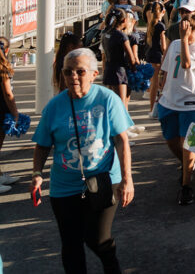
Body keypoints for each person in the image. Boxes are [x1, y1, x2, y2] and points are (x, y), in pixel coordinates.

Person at [31, 48, 133, 274]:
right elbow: (42, 145)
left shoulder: (108, 99)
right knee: (71, 244)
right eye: (68, 72)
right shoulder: (54, 106)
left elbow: (121, 140)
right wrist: (37, 174)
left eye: (80, 71)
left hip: (104, 179)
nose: (73, 77)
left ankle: (112, 267)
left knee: (97, 239)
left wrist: (127, 179)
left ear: (94, 74)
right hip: (64, 185)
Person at [158, 12, 195, 206]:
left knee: (189, 144)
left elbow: (187, 64)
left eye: (189, 31)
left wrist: (184, 42)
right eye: (183, 30)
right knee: (171, 141)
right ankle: (188, 166)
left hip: (191, 103)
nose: (185, 34)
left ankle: (186, 185)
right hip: (169, 101)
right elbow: (165, 70)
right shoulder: (173, 45)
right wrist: (159, 94)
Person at [102, 9, 138, 112]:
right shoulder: (121, 36)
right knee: (121, 104)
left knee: (110, 103)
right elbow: (131, 58)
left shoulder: (105, 32)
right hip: (119, 72)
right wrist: (135, 70)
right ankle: (123, 127)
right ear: (124, 20)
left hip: (108, 70)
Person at [0, 37, 20, 190]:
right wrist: (15, 113)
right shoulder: (2, 67)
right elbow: (8, 93)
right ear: (6, 50)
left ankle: (0, 175)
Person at [146, 0, 168, 116]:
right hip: (158, 55)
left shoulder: (151, 24)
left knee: (153, 82)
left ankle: (151, 108)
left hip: (150, 53)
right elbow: (163, 45)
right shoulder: (161, 25)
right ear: (163, 12)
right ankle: (153, 109)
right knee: (157, 83)